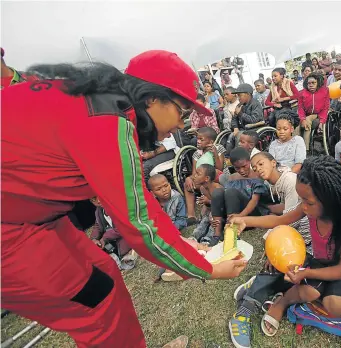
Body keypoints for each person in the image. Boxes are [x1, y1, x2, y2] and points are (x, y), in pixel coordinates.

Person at [0, 50, 246, 347]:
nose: (182, 126)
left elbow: (136, 204)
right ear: (152, 99)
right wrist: (206, 268)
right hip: (12, 232)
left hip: (38, 220)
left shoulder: (95, 102)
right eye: (181, 112)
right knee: (98, 305)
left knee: (105, 275)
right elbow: (139, 221)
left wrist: (179, 244)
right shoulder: (105, 120)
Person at [229, 156, 341, 343]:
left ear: (331, 200)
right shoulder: (309, 208)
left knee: (334, 304)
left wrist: (306, 272)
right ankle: (282, 302)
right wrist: (245, 220)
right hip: (319, 262)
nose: (303, 207)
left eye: (308, 202)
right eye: (301, 199)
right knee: (310, 292)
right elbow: (279, 220)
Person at [209, 147, 269, 246]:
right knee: (218, 192)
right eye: (237, 168)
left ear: (249, 162)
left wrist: (240, 216)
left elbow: (254, 201)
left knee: (231, 192)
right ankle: (217, 233)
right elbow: (223, 198)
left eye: (244, 166)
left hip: (251, 214)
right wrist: (213, 215)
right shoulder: (232, 178)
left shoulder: (257, 176)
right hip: (232, 213)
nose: (241, 170)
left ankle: (232, 231)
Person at [183, 127, 226, 224]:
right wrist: (189, 178)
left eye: (201, 139)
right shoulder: (196, 154)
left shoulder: (218, 148)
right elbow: (194, 173)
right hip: (203, 180)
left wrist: (214, 153)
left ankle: (211, 206)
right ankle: (191, 215)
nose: (198, 141)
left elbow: (220, 169)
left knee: (213, 176)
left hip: (217, 178)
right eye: (197, 139)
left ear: (210, 141)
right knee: (188, 183)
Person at [89, 197, 132, 261]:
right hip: (112, 240)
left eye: (99, 197)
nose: (98, 201)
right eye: (94, 200)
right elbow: (97, 225)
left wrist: (105, 238)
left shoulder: (116, 205)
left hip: (125, 236)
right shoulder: (99, 211)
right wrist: (94, 239)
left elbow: (122, 227)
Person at [296, 72, 330, 151]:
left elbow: (326, 108)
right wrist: (302, 119)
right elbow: (300, 108)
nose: (311, 85)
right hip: (306, 115)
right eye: (309, 83)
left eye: (313, 83)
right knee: (299, 126)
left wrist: (322, 121)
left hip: (318, 115)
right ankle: (297, 148)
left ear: (318, 83)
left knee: (307, 122)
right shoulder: (302, 93)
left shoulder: (325, 91)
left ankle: (305, 150)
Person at [191, 164, 222, 243]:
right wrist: (202, 213)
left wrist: (208, 201)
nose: (194, 176)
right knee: (204, 220)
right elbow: (207, 206)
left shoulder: (217, 188)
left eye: (198, 174)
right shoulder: (202, 188)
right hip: (211, 211)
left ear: (207, 178)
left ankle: (208, 238)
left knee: (212, 219)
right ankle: (195, 236)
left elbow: (222, 205)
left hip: (221, 214)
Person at [228, 83, 264, 151]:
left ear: (248, 94)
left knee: (240, 137)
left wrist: (240, 114)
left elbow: (254, 120)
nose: (238, 98)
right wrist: (235, 127)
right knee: (230, 136)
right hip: (243, 128)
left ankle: (240, 155)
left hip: (254, 128)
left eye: (240, 95)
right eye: (237, 96)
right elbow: (234, 118)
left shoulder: (255, 104)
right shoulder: (240, 105)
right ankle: (228, 156)